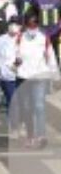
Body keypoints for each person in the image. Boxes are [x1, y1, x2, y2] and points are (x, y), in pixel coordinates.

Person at [14, 11, 58, 149]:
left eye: (35, 25)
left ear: (38, 25)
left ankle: (41, 136)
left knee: (39, 106)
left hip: (39, 76)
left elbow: (51, 57)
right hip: (23, 76)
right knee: (26, 108)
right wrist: (15, 63)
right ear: (25, 25)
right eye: (29, 25)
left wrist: (55, 75)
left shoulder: (43, 38)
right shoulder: (20, 38)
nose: (32, 28)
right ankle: (30, 136)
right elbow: (13, 56)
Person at [0, 20, 22, 132]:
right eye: (11, 24)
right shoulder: (1, 40)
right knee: (12, 100)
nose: (13, 27)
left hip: (23, 75)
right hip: (7, 76)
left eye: (16, 24)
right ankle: (14, 127)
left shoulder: (26, 39)